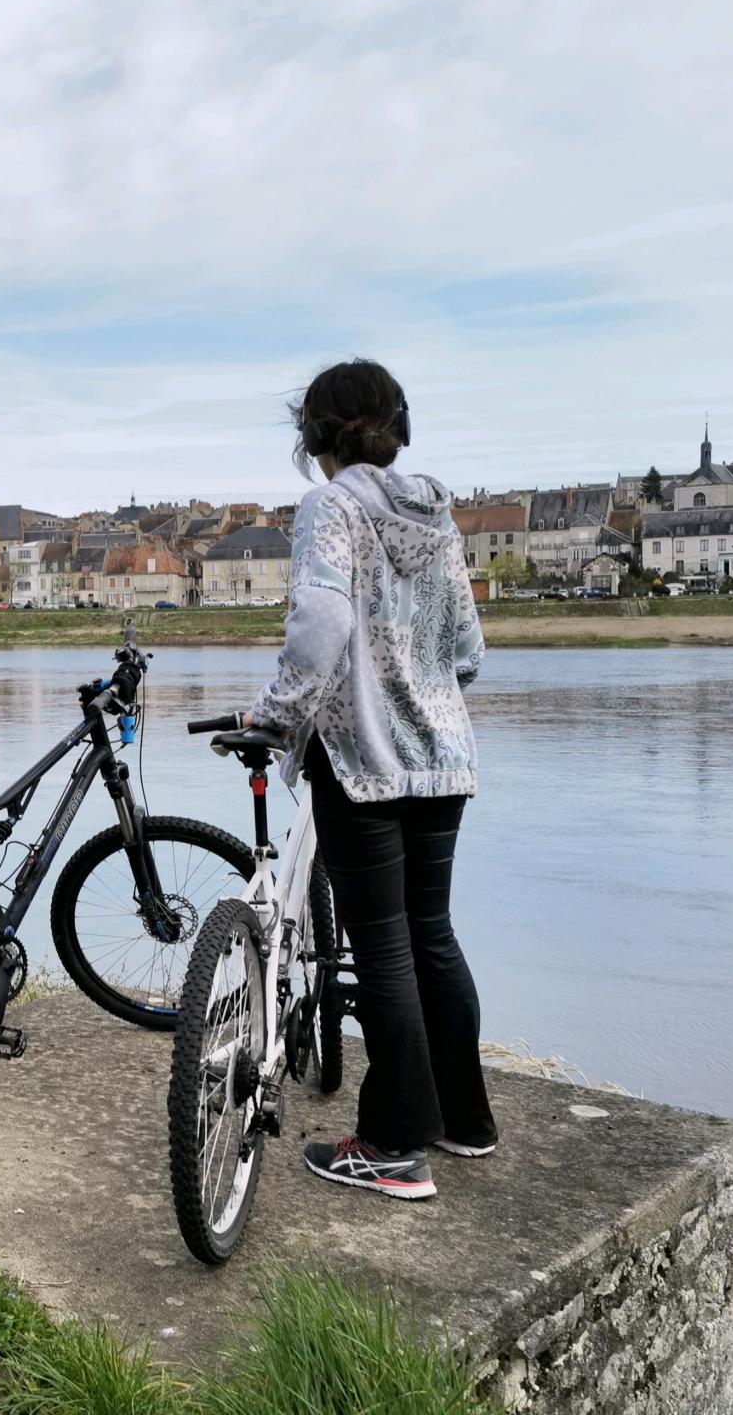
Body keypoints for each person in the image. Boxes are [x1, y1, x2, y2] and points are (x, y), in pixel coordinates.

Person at [247, 358, 495, 1201]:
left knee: (383, 943)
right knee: (432, 935)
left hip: (362, 764)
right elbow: (467, 647)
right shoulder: (437, 510)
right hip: (444, 759)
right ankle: (466, 1121)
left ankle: (391, 1146)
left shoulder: (332, 506)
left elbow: (320, 621)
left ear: (316, 434)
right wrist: (423, 695)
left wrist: (278, 717)